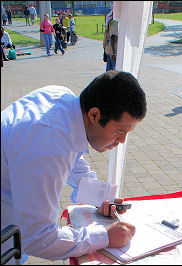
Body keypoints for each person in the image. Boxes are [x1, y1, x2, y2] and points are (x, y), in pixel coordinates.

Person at [1, 70, 147, 263]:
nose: (122, 140)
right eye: (120, 131)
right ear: (95, 115)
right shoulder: (48, 143)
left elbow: (72, 156)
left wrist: (101, 196)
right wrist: (104, 237)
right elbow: (38, 238)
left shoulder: (63, 100)